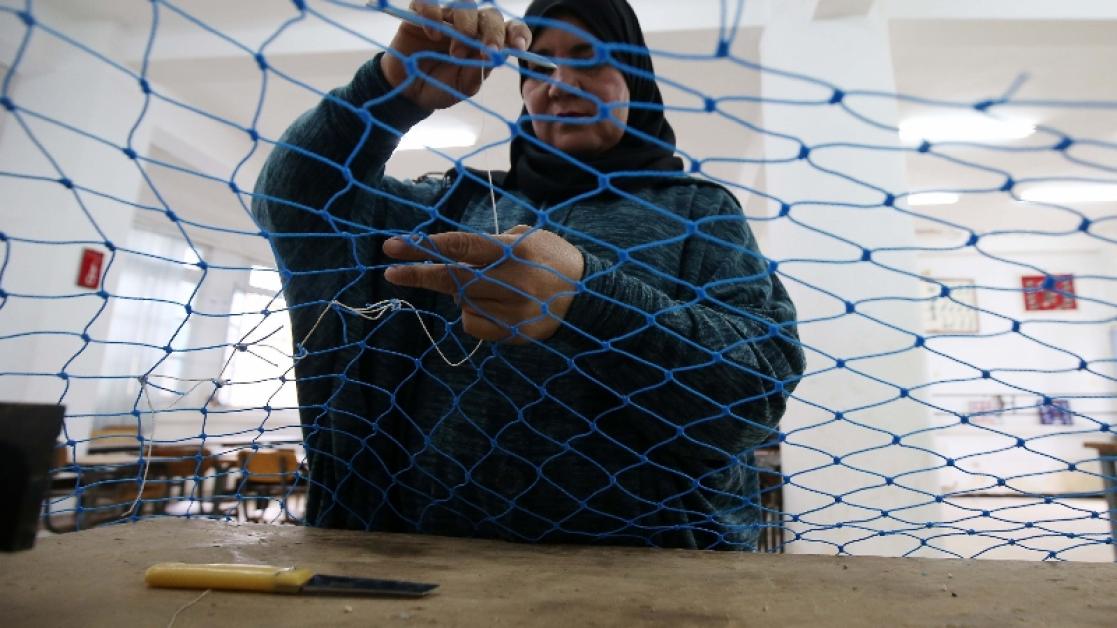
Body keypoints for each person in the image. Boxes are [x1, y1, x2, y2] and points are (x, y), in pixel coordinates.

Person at [252, 0, 805, 550]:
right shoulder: (456, 203)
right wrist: (388, 95)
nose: (560, 85)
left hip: (650, 577)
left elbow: (755, 390)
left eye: (589, 59)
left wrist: (590, 299)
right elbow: (294, 202)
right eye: (538, 68)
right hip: (430, 562)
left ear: (635, 75)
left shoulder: (699, 214)